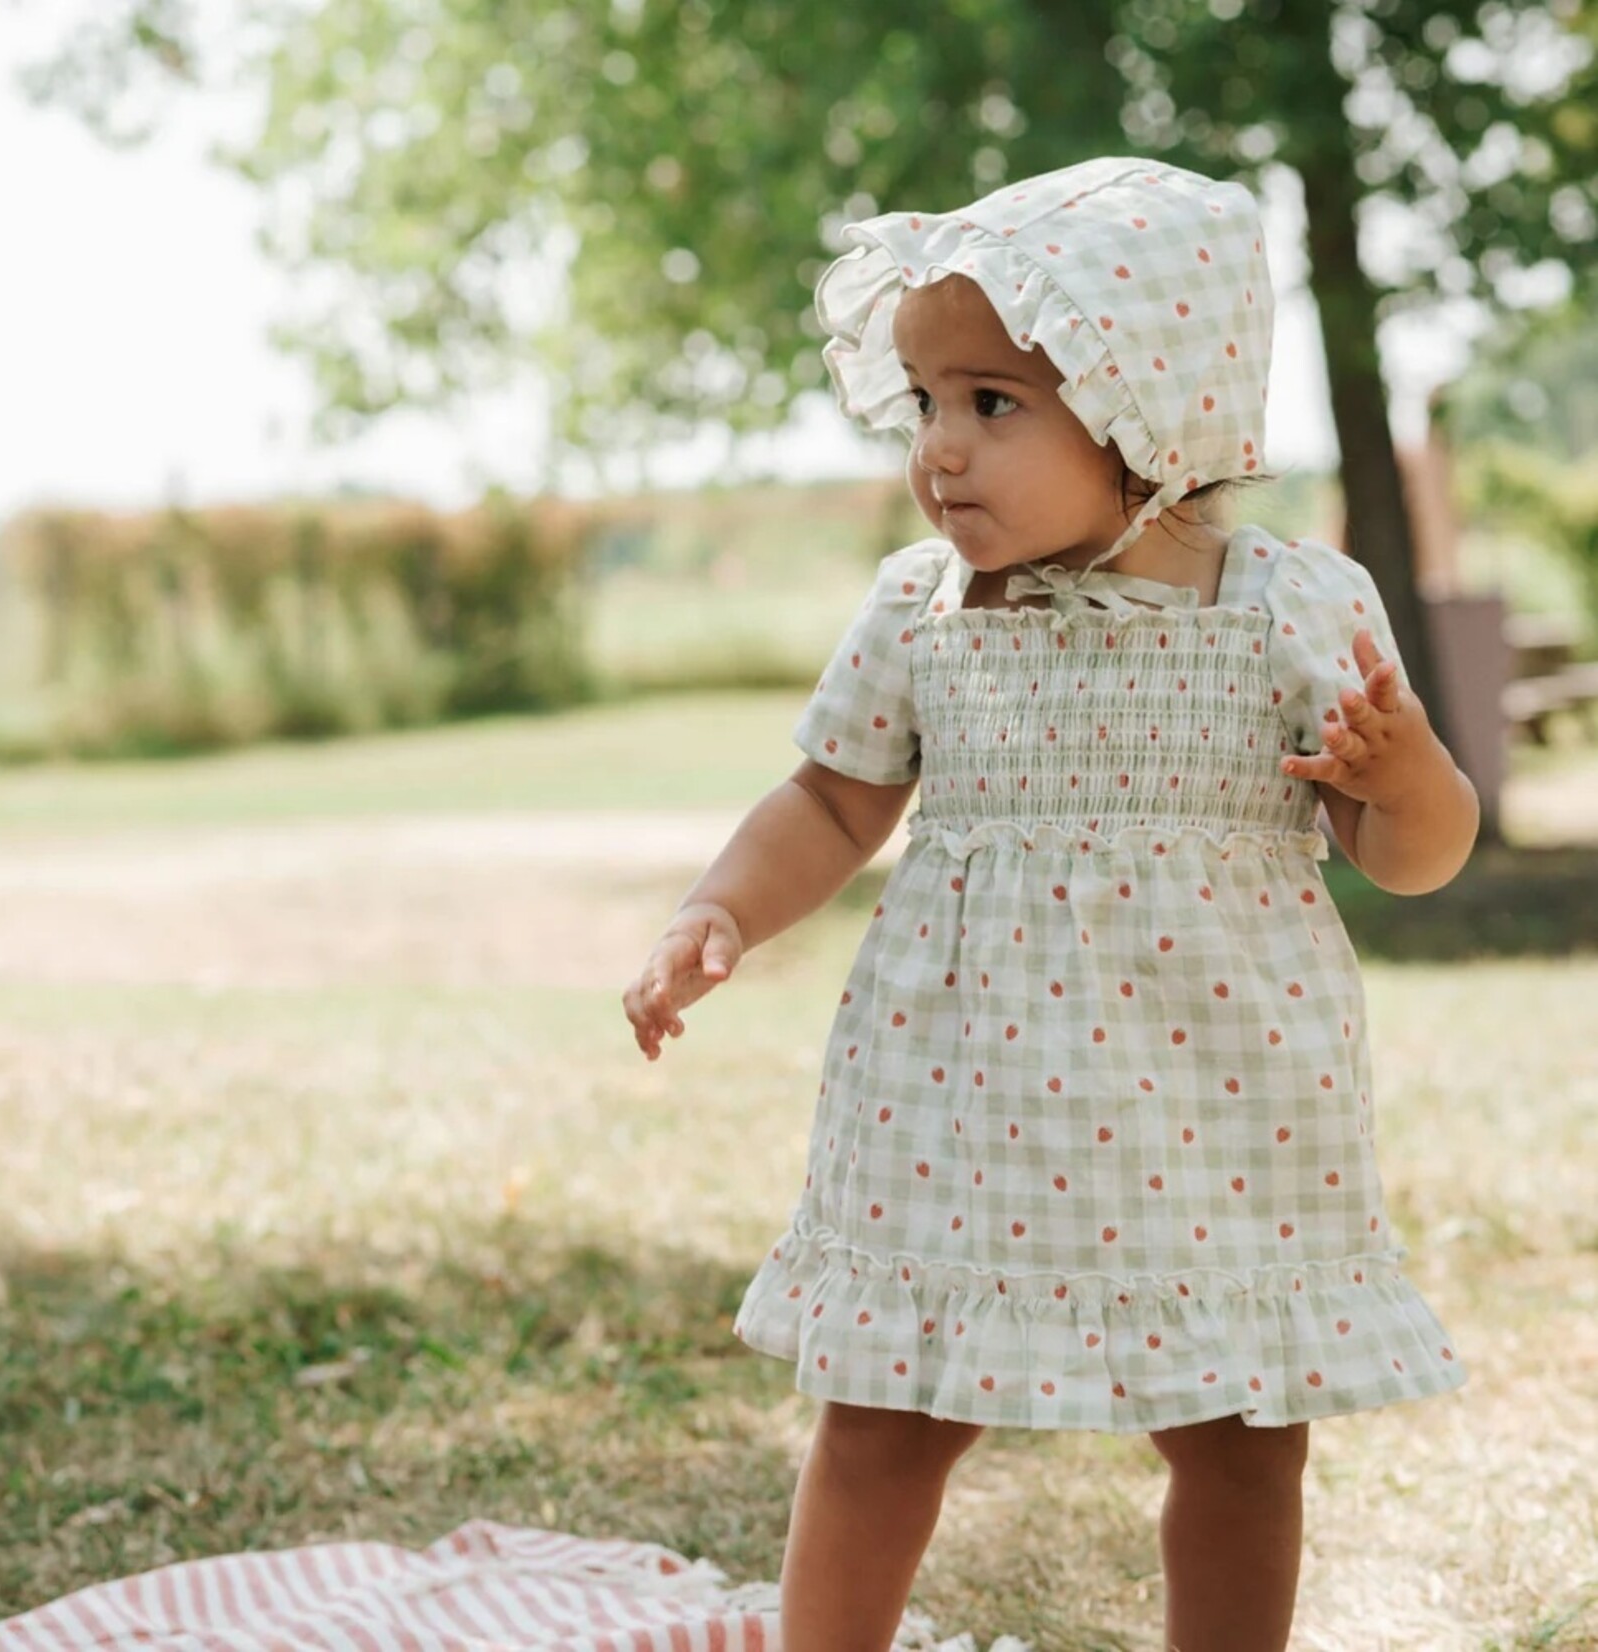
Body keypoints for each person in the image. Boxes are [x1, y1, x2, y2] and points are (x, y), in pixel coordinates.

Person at [622, 156, 1479, 1652]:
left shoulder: (1296, 608)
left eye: (992, 403)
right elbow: (833, 799)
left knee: (1238, 1435)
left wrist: (1407, 779)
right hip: (957, 1091)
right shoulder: (920, 611)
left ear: (1147, 408)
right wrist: (722, 912)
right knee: (884, 1412)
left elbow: (1412, 856)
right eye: (924, 402)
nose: (940, 451)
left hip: (1217, 1105)